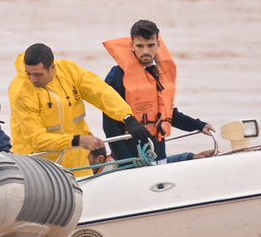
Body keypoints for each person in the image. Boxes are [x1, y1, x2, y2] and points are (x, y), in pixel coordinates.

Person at [9, 42, 154, 176]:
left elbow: (101, 92)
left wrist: (128, 117)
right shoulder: (21, 92)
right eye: (29, 74)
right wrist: (77, 141)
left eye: (38, 74)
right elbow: (37, 139)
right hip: (38, 166)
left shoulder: (70, 72)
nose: (33, 79)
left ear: (52, 67)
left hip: (76, 161)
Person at [101, 19, 213, 161]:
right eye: (140, 46)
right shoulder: (116, 77)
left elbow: (167, 114)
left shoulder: (157, 74)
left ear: (158, 44)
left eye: (150, 45)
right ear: (132, 45)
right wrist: (125, 160)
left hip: (158, 153)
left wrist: (199, 126)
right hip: (130, 157)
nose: (145, 51)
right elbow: (110, 126)